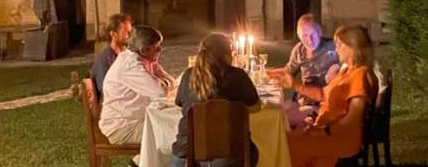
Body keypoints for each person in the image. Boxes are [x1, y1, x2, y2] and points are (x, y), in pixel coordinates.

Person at [276, 25, 379, 167]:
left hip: (340, 139)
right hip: (327, 132)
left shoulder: (360, 74)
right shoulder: (347, 71)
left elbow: (353, 118)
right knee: (282, 140)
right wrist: (295, 84)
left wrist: (324, 128)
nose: (336, 49)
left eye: (339, 44)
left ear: (353, 47)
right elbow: (323, 94)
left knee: (283, 146)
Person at [171, 33, 261, 167]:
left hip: (187, 155)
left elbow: (179, 105)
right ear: (227, 54)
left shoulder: (188, 75)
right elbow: (255, 107)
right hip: (231, 157)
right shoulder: (238, 76)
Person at [99, 25, 176, 147]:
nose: (160, 49)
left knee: (176, 127)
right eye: (157, 47)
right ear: (144, 50)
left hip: (137, 121)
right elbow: (160, 91)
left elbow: (172, 82)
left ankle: (143, 158)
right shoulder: (131, 65)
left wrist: (165, 81)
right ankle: (142, 159)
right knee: (175, 135)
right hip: (123, 127)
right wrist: (165, 83)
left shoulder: (145, 60)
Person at [268, 13, 340, 91]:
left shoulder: (332, 46)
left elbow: (348, 61)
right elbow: (288, 71)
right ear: (299, 36)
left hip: (329, 92)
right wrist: (268, 73)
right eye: (305, 35)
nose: (310, 40)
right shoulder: (299, 50)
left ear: (320, 33)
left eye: (313, 35)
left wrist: (338, 67)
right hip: (307, 92)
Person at [90, 13, 133, 96]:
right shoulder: (105, 60)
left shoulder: (129, 55)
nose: (130, 35)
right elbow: (106, 89)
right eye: (126, 32)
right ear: (113, 34)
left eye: (130, 32)